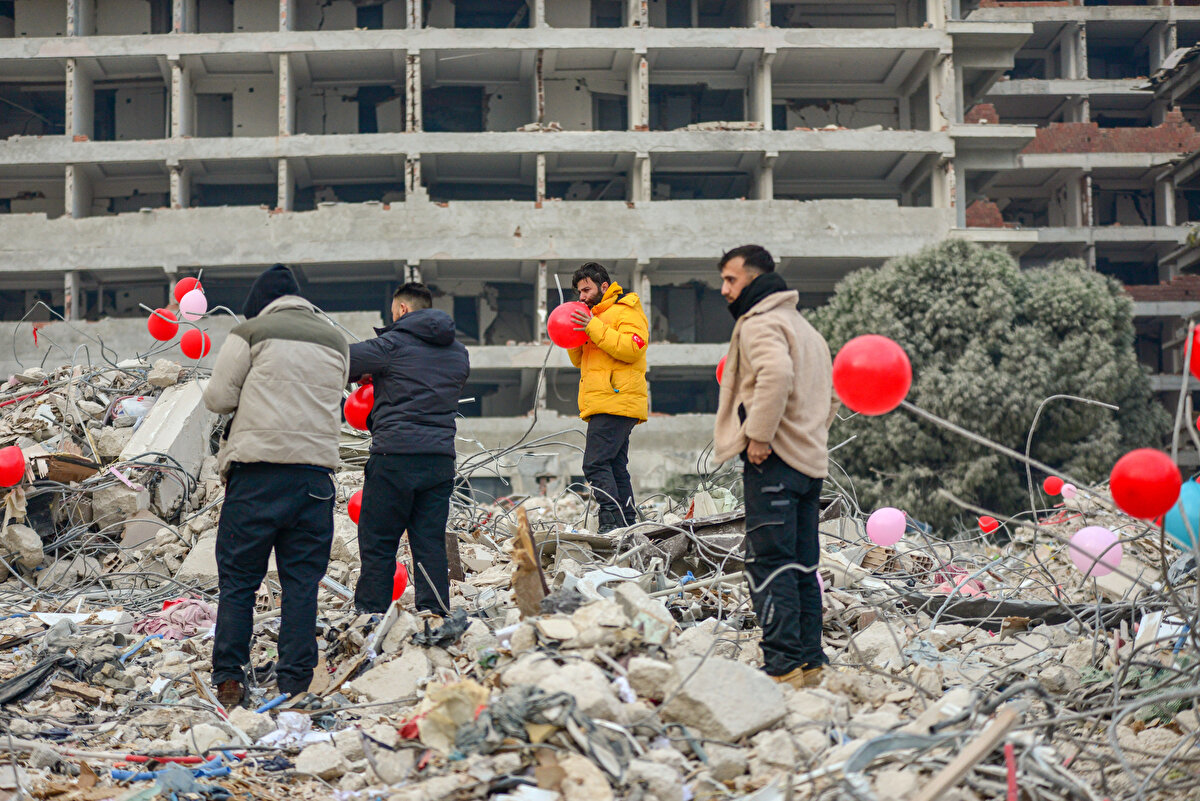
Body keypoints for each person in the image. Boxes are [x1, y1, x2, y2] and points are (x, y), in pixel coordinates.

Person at [203, 264, 350, 708]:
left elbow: (218, 398)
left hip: (258, 476)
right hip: (314, 481)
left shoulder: (251, 331)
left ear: (260, 301)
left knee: (239, 582)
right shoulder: (336, 339)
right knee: (302, 583)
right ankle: (295, 682)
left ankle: (230, 678)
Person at [712, 245, 838, 689]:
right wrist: (809, 433)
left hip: (774, 462)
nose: (724, 289)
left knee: (770, 564)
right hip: (809, 463)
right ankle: (809, 660)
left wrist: (762, 435)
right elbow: (833, 393)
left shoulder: (761, 322)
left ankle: (782, 667)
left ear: (755, 278)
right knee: (803, 564)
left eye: (731, 279)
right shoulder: (806, 329)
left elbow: (777, 375)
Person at [349, 283, 469, 618]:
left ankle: (371, 615)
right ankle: (434, 611)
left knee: (378, 540)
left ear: (402, 309)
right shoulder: (459, 352)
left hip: (395, 456)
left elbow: (345, 360)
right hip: (440, 460)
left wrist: (370, 374)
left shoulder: (391, 344)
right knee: (429, 541)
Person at [567, 262, 649, 534]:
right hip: (604, 401)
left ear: (604, 286)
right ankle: (627, 522)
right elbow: (580, 360)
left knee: (594, 463)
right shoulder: (594, 317)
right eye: (579, 292)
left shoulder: (626, 309)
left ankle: (610, 518)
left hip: (616, 399)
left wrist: (593, 327)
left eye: (586, 290)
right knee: (615, 465)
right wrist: (573, 334)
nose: (582, 297)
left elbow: (632, 348)